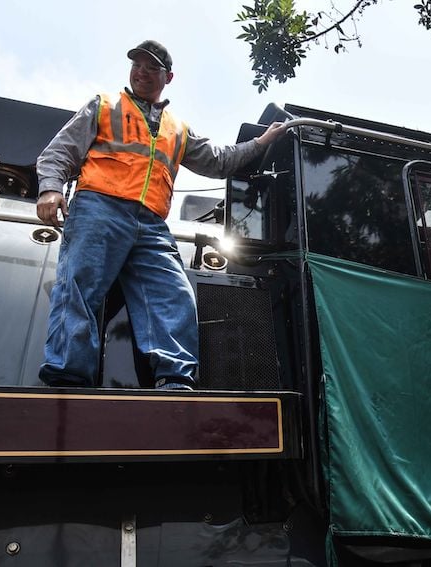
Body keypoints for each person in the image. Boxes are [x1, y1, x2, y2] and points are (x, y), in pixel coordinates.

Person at [35, 40, 287, 390]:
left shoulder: (177, 128)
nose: (141, 72)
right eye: (137, 65)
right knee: (78, 286)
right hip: (99, 207)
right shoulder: (104, 105)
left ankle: (174, 378)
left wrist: (260, 144)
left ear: (168, 77)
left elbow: (218, 160)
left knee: (175, 293)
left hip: (151, 223)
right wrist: (50, 188)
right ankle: (68, 374)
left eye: (151, 68)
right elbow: (59, 152)